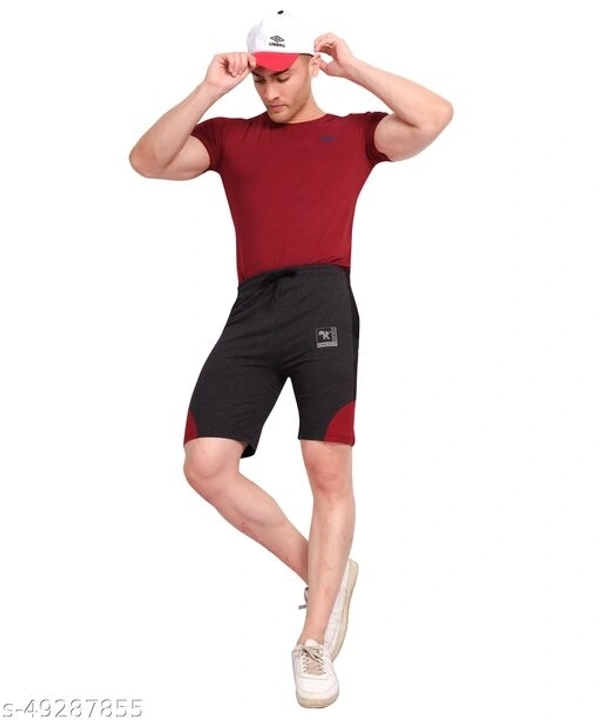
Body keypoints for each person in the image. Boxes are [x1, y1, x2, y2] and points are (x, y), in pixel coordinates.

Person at [129, 8, 453, 709]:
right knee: (205, 464)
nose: (270, 92)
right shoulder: (231, 136)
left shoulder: (355, 133)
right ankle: (328, 574)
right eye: (261, 80)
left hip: (322, 302)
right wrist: (208, 90)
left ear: (310, 64)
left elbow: (434, 116)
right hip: (253, 307)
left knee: (324, 464)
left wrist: (355, 68)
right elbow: (147, 161)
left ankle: (313, 640)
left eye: (282, 76)